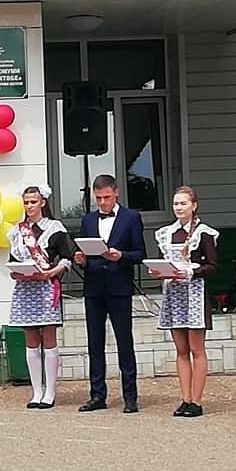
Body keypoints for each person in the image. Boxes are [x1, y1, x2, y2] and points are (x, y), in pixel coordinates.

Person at [73, 174, 146, 414]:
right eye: (98, 198)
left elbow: (139, 253)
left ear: (116, 193)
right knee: (95, 343)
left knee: (124, 342)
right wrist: (81, 259)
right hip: (93, 287)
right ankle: (97, 395)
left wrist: (121, 256)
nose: (102, 202)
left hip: (119, 286)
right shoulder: (87, 220)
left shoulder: (131, 218)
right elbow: (82, 250)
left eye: (106, 197)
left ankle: (130, 397)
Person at [149, 186, 219, 418]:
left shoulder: (204, 232)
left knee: (197, 349)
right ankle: (185, 398)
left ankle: (197, 401)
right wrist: (159, 272)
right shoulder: (166, 233)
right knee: (181, 350)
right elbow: (162, 261)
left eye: (183, 204)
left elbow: (212, 266)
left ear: (194, 205)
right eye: (176, 204)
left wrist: (190, 272)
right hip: (174, 295)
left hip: (195, 294)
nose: (179, 208)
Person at [8, 184, 77, 410]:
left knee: (48, 338)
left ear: (43, 203)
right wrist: (15, 272)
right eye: (26, 202)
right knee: (30, 340)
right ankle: (36, 391)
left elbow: (68, 257)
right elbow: (14, 260)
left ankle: (50, 392)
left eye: (33, 202)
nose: (29, 206)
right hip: (25, 289)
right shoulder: (18, 231)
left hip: (47, 288)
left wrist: (53, 272)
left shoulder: (54, 228)